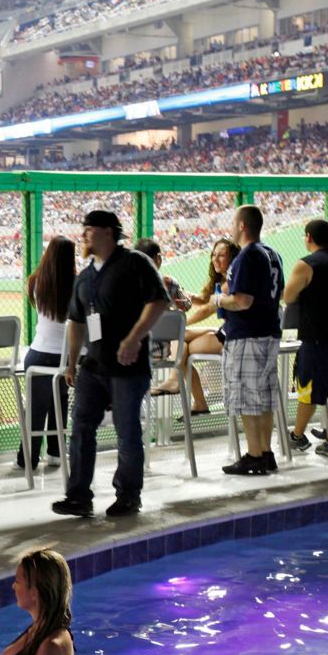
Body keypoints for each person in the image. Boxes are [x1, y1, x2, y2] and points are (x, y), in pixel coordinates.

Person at [52, 210, 169, 518]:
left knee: (126, 431)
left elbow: (159, 301)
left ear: (107, 232)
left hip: (128, 368)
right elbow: (76, 321)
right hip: (94, 366)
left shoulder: (135, 264)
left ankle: (129, 495)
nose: (85, 234)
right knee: (80, 426)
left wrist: (133, 339)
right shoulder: (86, 275)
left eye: (90, 229)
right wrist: (72, 363)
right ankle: (78, 495)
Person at [214, 205, 285, 475]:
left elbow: (242, 301)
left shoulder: (247, 256)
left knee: (246, 396)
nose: (231, 227)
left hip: (247, 335)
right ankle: (266, 453)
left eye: (233, 222)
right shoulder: (272, 253)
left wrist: (218, 299)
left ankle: (254, 454)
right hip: (269, 332)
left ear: (242, 225)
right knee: (264, 396)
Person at [283, 218, 328, 458]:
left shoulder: (306, 264)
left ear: (308, 237)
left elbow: (288, 295)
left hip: (318, 338)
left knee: (308, 392)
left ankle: (296, 436)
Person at [151, 238, 239, 415]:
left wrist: (181, 324)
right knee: (181, 345)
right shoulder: (220, 281)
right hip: (225, 331)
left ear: (233, 258)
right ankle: (198, 402)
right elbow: (203, 299)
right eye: (214, 254)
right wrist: (183, 294)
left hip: (233, 335)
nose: (215, 258)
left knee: (182, 342)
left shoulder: (230, 282)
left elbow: (207, 309)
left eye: (222, 255)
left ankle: (176, 382)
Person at [17, 236, 75, 471]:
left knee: (36, 409)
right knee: (59, 399)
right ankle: (56, 452)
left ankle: (27, 459)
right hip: (68, 358)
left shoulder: (37, 282)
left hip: (40, 355)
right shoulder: (78, 284)